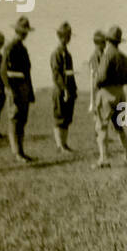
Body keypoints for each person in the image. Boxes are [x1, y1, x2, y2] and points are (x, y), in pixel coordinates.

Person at [91, 25, 127, 167]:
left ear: (108, 40)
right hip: (121, 93)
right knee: (120, 127)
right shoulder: (124, 57)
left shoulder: (107, 55)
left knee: (101, 127)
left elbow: (101, 77)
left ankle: (103, 159)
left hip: (107, 94)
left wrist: (97, 82)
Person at [1, 16, 35, 163]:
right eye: (22, 31)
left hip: (24, 88)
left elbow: (27, 72)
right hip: (14, 88)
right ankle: (17, 152)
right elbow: (3, 71)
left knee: (22, 120)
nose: (24, 34)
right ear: (16, 31)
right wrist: (10, 89)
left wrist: (30, 92)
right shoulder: (10, 47)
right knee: (15, 119)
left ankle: (21, 151)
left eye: (26, 31)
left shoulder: (22, 47)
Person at [50, 22, 78, 153]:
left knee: (67, 118)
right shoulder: (56, 53)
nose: (67, 38)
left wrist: (73, 90)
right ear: (59, 36)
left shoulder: (68, 54)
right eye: (65, 36)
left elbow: (70, 74)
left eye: (68, 36)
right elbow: (56, 74)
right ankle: (60, 146)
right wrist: (64, 89)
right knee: (59, 117)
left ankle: (64, 144)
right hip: (60, 89)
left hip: (69, 89)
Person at [87, 29, 106, 114]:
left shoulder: (103, 56)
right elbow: (95, 76)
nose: (105, 44)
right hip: (98, 90)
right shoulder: (94, 57)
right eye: (103, 42)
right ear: (98, 43)